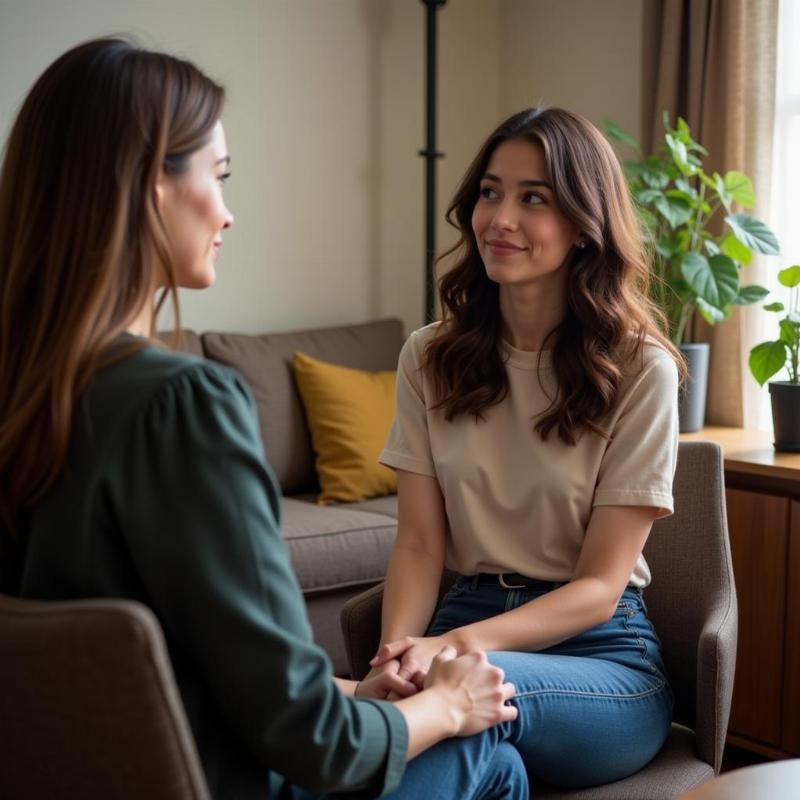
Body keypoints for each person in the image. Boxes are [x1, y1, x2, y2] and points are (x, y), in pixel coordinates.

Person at [0, 37, 528, 800]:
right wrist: (446, 706)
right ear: (151, 185)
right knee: (492, 759)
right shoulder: (178, 405)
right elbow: (315, 746)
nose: (228, 211)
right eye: (216, 177)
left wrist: (348, 695)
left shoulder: (29, 390)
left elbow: (183, 672)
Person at [366, 107, 686, 789]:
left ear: (581, 226)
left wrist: (448, 652)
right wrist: (393, 656)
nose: (500, 218)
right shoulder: (429, 357)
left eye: (533, 198)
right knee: (466, 744)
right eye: (489, 192)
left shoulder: (640, 369)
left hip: (601, 662)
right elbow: (421, 544)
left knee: (438, 710)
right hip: (465, 621)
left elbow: (600, 588)